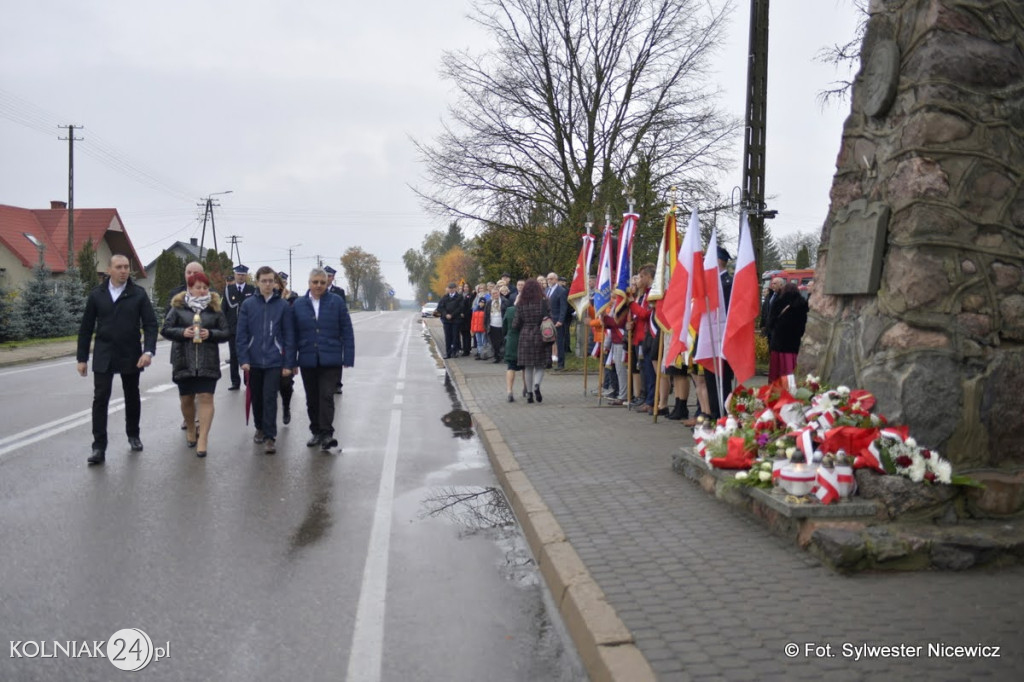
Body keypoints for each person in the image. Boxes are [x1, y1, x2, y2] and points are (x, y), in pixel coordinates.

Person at [76, 254, 158, 465]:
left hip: (131, 353)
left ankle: (133, 434)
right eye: (119, 267)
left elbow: (150, 324)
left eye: (126, 267)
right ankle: (99, 447)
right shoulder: (97, 295)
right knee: (100, 398)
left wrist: (148, 352)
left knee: (132, 395)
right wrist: (82, 358)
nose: (124, 271)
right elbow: (86, 329)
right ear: (109, 270)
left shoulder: (137, 294)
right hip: (104, 353)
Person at [160, 271, 230, 457]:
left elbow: (226, 332)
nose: (202, 291)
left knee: (206, 397)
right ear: (189, 288)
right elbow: (165, 330)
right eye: (198, 287)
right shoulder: (178, 307)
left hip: (208, 361)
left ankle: (203, 438)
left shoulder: (215, 309)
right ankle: (191, 427)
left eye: (205, 288)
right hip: (184, 360)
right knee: (187, 399)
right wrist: (183, 333)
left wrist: (211, 334)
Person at [292, 268, 355, 451]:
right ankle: (316, 431)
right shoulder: (299, 304)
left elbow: (346, 330)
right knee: (312, 397)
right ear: (309, 283)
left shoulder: (336, 302)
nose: (318, 285)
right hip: (307, 358)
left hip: (331, 358)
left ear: (327, 283)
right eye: (315, 282)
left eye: (322, 282)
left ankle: (327, 434)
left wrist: (348, 356)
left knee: (326, 395)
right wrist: (291, 361)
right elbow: (292, 333)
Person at [237, 266, 296, 454]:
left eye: (271, 281)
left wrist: (288, 363)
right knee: (258, 397)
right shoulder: (248, 305)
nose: (268, 284)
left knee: (270, 397)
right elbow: (241, 335)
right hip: (253, 360)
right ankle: (260, 428)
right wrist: (243, 359)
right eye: (264, 281)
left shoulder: (283, 306)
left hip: (274, 360)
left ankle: (271, 436)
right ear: (257, 282)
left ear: (275, 283)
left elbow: (289, 336)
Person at [512, 278, 553, 404]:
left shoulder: (521, 303)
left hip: (525, 335)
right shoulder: (543, 302)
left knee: (528, 366)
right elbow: (549, 318)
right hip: (540, 334)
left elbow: (515, 324)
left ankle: (529, 393)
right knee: (540, 364)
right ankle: (536, 385)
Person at [223, 264, 256, 390]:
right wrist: (224, 327)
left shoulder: (251, 290)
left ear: (246, 276)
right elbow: (224, 310)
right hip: (233, 329)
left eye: (243, 275)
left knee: (248, 355)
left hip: (248, 330)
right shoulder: (228, 289)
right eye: (238, 274)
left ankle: (248, 381)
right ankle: (235, 382)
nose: (241, 277)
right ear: (235, 275)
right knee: (234, 356)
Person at [767, 283, 809, 381]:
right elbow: (804, 324)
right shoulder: (803, 303)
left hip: (779, 342)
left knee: (777, 372)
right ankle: (791, 388)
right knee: (791, 369)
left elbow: (770, 323)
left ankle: (777, 390)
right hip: (794, 343)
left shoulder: (778, 302)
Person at [275, 271, 300, 425]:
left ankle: (286, 406)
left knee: (285, 383)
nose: (279, 284)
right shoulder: (267, 298)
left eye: (282, 281)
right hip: (269, 347)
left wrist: (294, 360)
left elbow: (294, 326)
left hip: (286, 347)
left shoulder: (293, 298)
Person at [323, 265, 347, 394]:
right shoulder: (317, 290)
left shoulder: (339, 292)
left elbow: (343, 311)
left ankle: (337, 383)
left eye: (330, 276)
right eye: (325, 275)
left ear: (333, 278)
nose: (327, 278)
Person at [545, 272, 569, 370]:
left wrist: (561, 320)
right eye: (548, 279)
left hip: (557, 320)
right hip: (547, 320)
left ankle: (560, 364)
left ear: (556, 279)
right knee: (547, 341)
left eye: (551, 279)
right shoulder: (546, 290)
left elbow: (564, 307)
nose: (549, 281)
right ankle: (548, 362)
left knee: (559, 342)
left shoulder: (561, 291)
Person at [438, 282, 464, 359]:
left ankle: (455, 351)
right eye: (450, 288)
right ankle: (448, 352)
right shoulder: (445, 297)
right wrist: (446, 314)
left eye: (453, 288)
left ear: (455, 289)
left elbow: (460, 307)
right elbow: (440, 307)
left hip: (456, 319)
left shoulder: (459, 297)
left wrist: (452, 315)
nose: (451, 290)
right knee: (447, 337)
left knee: (455, 336)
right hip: (446, 320)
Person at [487, 284, 507, 363]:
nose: (495, 295)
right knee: (494, 342)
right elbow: (486, 314)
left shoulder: (504, 301)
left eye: (496, 293)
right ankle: (496, 356)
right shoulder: (489, 303)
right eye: (493, 293)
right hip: (492, 324)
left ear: (499, 293)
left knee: (502, 341)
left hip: (501, 324)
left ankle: (503, 355)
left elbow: (506, 312)